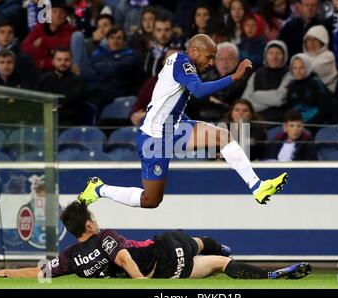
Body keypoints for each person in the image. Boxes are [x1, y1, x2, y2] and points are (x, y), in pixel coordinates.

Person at [78, 34, 289, 209]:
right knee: (151, 201)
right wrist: (234, 77)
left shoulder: (180, 63)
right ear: (195, 51)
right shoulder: (182, 61)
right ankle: (98, 189)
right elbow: (198, 91)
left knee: (223, 136)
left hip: (173, 127)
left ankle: (257, 186)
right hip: (154, 137)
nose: (210, 63)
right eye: (209, 57)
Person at [0, 199, 312, 280]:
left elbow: (39, 273)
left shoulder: (70, 257)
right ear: (90, 225)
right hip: (163, 250)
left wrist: (3, 272)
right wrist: (139, 281)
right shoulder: (105, 237)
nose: (97, 220)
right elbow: (121, 257)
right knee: (207, 243)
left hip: (168, 272)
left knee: (216, 265)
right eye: (93, 217)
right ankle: (239, 257)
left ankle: (269, 275)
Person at [185, 42, 248, 122]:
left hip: (227, 120)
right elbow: (191, 95)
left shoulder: (241, 77)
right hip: (199, 117)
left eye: (229, 58)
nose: (225, 62)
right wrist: (208, 98)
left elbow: (224, 96)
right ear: (215, 61)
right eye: (221, 58)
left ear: (237, 60)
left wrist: (204, 94)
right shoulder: (204, 75)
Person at [80, 26, 136, 110]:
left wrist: (96, 66)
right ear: (107, 40)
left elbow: (116, 70)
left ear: (124, 42)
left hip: (115, 91)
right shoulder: (98, 53)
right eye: (112, 38)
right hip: (94, 88)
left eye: (119, 38)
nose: (115, 41)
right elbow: (84, 71)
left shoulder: (130, 55)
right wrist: (104, 75)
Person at [242, 40, 292, 122]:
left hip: (279, 120)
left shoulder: (289, 74)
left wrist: (255, 95)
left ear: (284, 55)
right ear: (266, 55)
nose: (274, 57)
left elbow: (279, 99)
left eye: (278, 53)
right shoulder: (257, 74)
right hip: (255, 118)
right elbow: (245, 102)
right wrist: (269, 102)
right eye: (271, 53)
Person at [36, 47, 87, 126]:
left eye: (66, 60)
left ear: (71, 62)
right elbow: (38, 100)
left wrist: (53, 103)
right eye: (59, 59)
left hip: (68, 122)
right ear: (53, 61)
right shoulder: (44, 79)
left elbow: (71, 99)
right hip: (44, 120)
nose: (63, 63)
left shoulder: (78, 81)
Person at [21, 0, 76, 72]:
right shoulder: (39, 28)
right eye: (54, 11)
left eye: (62, 12)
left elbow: (66, 44)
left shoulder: (71, 30)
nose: (58, 15)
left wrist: (43, 41)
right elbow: (25, 48)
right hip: (36, 70)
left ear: (66, 15)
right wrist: (48, 52)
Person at [285, 53, 338, 125]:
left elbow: (323, 107)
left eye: (302, 67)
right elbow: (289, 106)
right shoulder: (291, 84)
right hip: (297, 120)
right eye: (295, 68)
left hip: (315, 120)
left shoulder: (315, 82)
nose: (298, 71)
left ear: (308, 67)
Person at [303, 25, 338, 91]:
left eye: (315, 40)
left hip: (326, 94)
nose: (311, 43)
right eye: (309, 40)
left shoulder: (328, 56)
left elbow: (311, 70)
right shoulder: (302, 56)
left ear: (323, 42)